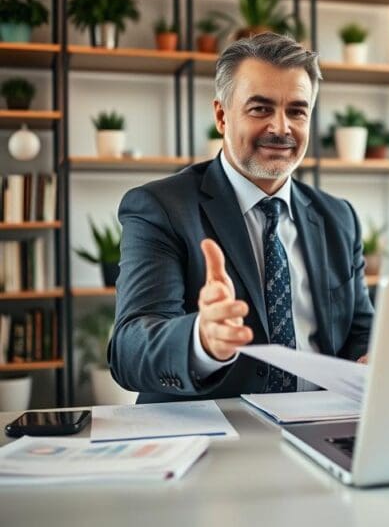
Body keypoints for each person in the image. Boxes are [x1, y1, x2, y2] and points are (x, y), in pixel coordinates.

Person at [109, 33, 373, 403]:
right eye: (260, 109)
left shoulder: (338, 218)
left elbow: (360, 331)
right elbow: (128, 349)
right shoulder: (160, 207)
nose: (281, 128)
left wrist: (371, 357)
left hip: (319, 429)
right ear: (221, 115)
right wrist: (202, 339)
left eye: (297, 110)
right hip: (210, 438)